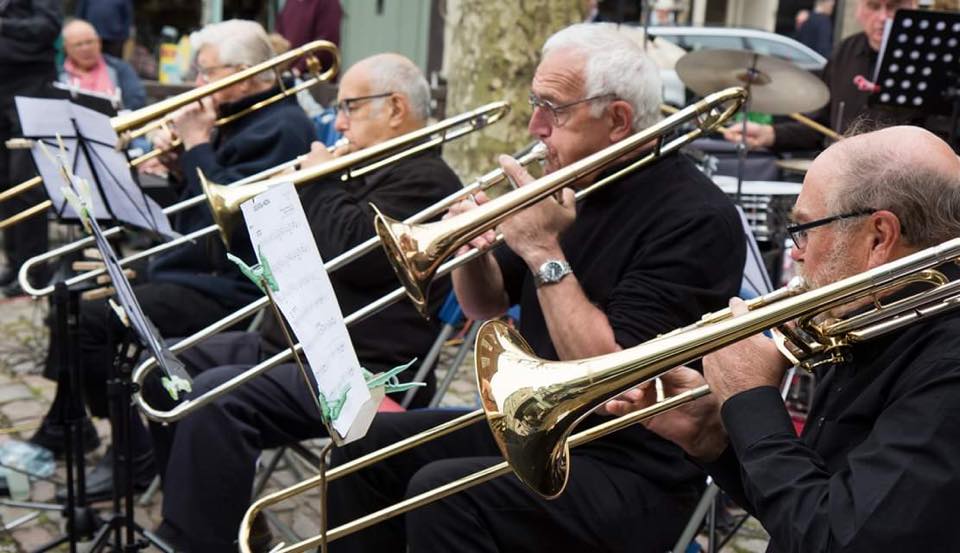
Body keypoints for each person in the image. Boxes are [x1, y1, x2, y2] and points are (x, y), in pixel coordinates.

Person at [325, 23, 746, 553]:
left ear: (617, 120)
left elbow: (612, 386)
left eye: (554, 108)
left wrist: (544, 251)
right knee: (361, 450)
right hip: (538, 429)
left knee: (440, 495)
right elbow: (487, 304)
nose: (534, 125)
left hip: (632, 464)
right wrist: (469, 250)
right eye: (534, 103)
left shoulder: (694, 217)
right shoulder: (575, 179)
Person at [152, 53, 462, 553]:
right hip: (296, 344)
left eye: (349, 108)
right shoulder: (360, 169)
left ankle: (198, 540)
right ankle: (215, 521)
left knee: (213, 398)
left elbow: (353, 255)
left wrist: (317, 180)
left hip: (358, 369)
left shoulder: (429, 180)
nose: (337, 123)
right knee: (164, 369)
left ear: (397, 109)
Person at [610, 125, 960, 552]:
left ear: (878, 237)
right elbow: (814, 506)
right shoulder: (866, 322)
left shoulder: (947, 366)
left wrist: (752, 400)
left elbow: (836, 541)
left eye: (806, 229)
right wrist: (718, 436)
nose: (795, 251)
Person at [31, 19, 316, 502]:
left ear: (245, 74)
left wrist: (198, 146)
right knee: (69, 296)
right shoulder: (237, 116)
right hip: (196, 265)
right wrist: (180, 162)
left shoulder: (283, 126)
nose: (199, 86)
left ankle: (132, 450)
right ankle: (88, 426)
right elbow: (203, 208)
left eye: (207, 74)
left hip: (237, 285)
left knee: (97, 317)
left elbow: (234, 224)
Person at [723, 0, 919, 152]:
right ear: (859, 9)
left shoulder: (928, 60)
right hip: (844, 180)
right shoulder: (845, 52)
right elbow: (817, 127)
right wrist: (769, 134)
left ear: (913, 6)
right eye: (873, 6)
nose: (883, 17)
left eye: (893, 6)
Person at [0, 0, 61, 296]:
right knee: (4, 184)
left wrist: (4, 28)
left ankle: (34, 268)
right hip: (4, 85)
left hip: (31, 87)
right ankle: (15, 265)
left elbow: (47, 28)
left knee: (26, 183)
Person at [59, 18, 146, 110]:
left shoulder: (120, 69)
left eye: (89, 42)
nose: (85, 48)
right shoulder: (57, 74)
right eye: (78, 44)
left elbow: (137, 102)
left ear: (99, 42)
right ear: (66, 48)